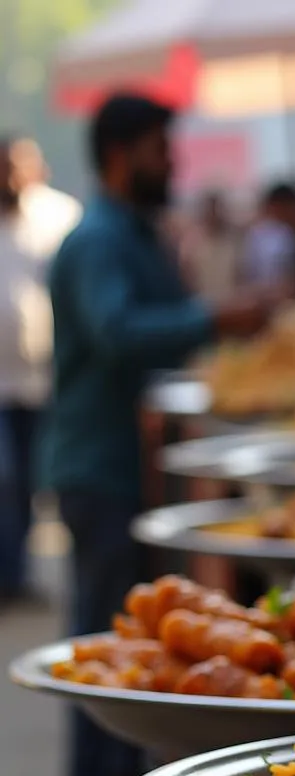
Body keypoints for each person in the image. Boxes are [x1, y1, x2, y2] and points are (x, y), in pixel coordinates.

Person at [41, 93, 270, 776]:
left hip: (130, 462)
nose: (171, 162)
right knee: (105, 632)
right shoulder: (99, 240)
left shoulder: (137, 232)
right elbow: (117, 332)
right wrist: (216, 315)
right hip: (97, 464)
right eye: (159, 149)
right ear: (120, 153)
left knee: (132, 629)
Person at [0, 137, 80, 604]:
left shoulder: (55, 218)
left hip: (38, 377)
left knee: (29, 478)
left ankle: (15, 569)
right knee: (5, 477)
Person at [180, 190, 245, 304]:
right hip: (203, 306)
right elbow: (187, 275)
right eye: (211, 210)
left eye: (217, 210)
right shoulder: (192, 243)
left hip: (230, 303)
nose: (214, 214)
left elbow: (240, 274)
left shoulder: (232, 241)